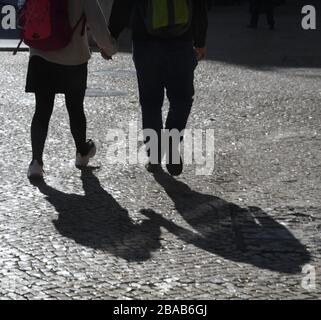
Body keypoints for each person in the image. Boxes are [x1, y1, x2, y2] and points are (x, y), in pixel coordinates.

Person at [109, 0, 208, 176]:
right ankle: (171, 141)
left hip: (145, 42)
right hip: (181, 42)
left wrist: (111, 37)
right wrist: (200, 40)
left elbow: (123, 5)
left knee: (150, 102)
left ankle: (154, 155)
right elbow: (199, 5)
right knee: (182, 99)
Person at [26, 0, 117, 179]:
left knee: (42, 111)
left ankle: (36, 163)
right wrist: (109, 48)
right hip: (73, 58)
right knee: (75, 108)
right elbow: (97, 22)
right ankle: (82, 153)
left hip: (41, 54)